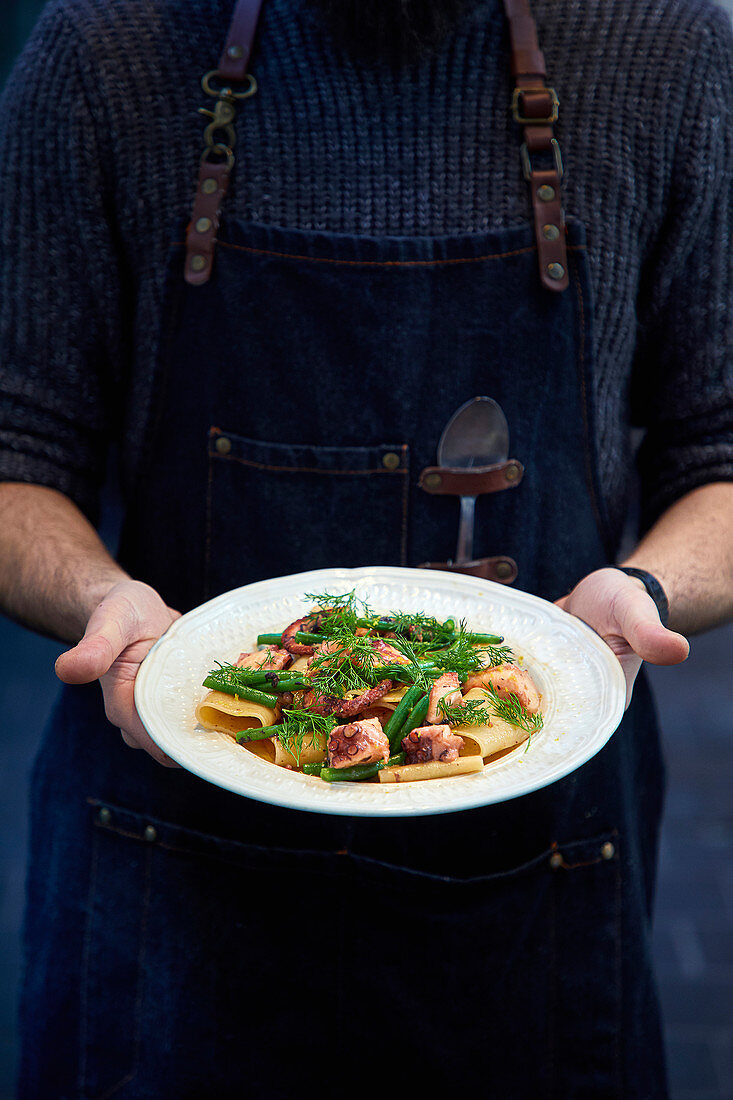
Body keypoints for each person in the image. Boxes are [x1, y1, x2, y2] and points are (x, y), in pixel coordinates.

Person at [1, 0, 731, 1095]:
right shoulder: (102, 50)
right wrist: (103, 596)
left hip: (531, 894)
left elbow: (719, 444)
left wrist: (644, 585)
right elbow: (16, 452)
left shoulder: (665, 48)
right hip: (170, 876)